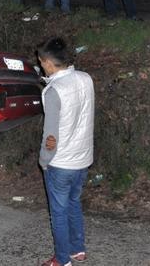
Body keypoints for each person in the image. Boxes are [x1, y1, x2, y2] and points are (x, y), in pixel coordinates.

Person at [37, 37, 94, 266]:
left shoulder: (53, 91)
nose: (41, 66)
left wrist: (44, 160)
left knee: (58, 213)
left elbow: (51, 136)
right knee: (73, 203)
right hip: (83, 159)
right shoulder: (85, 78)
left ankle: (62, 260)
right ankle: (77, 249)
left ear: (49, 63)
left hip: (61, 164)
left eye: (42, 62)